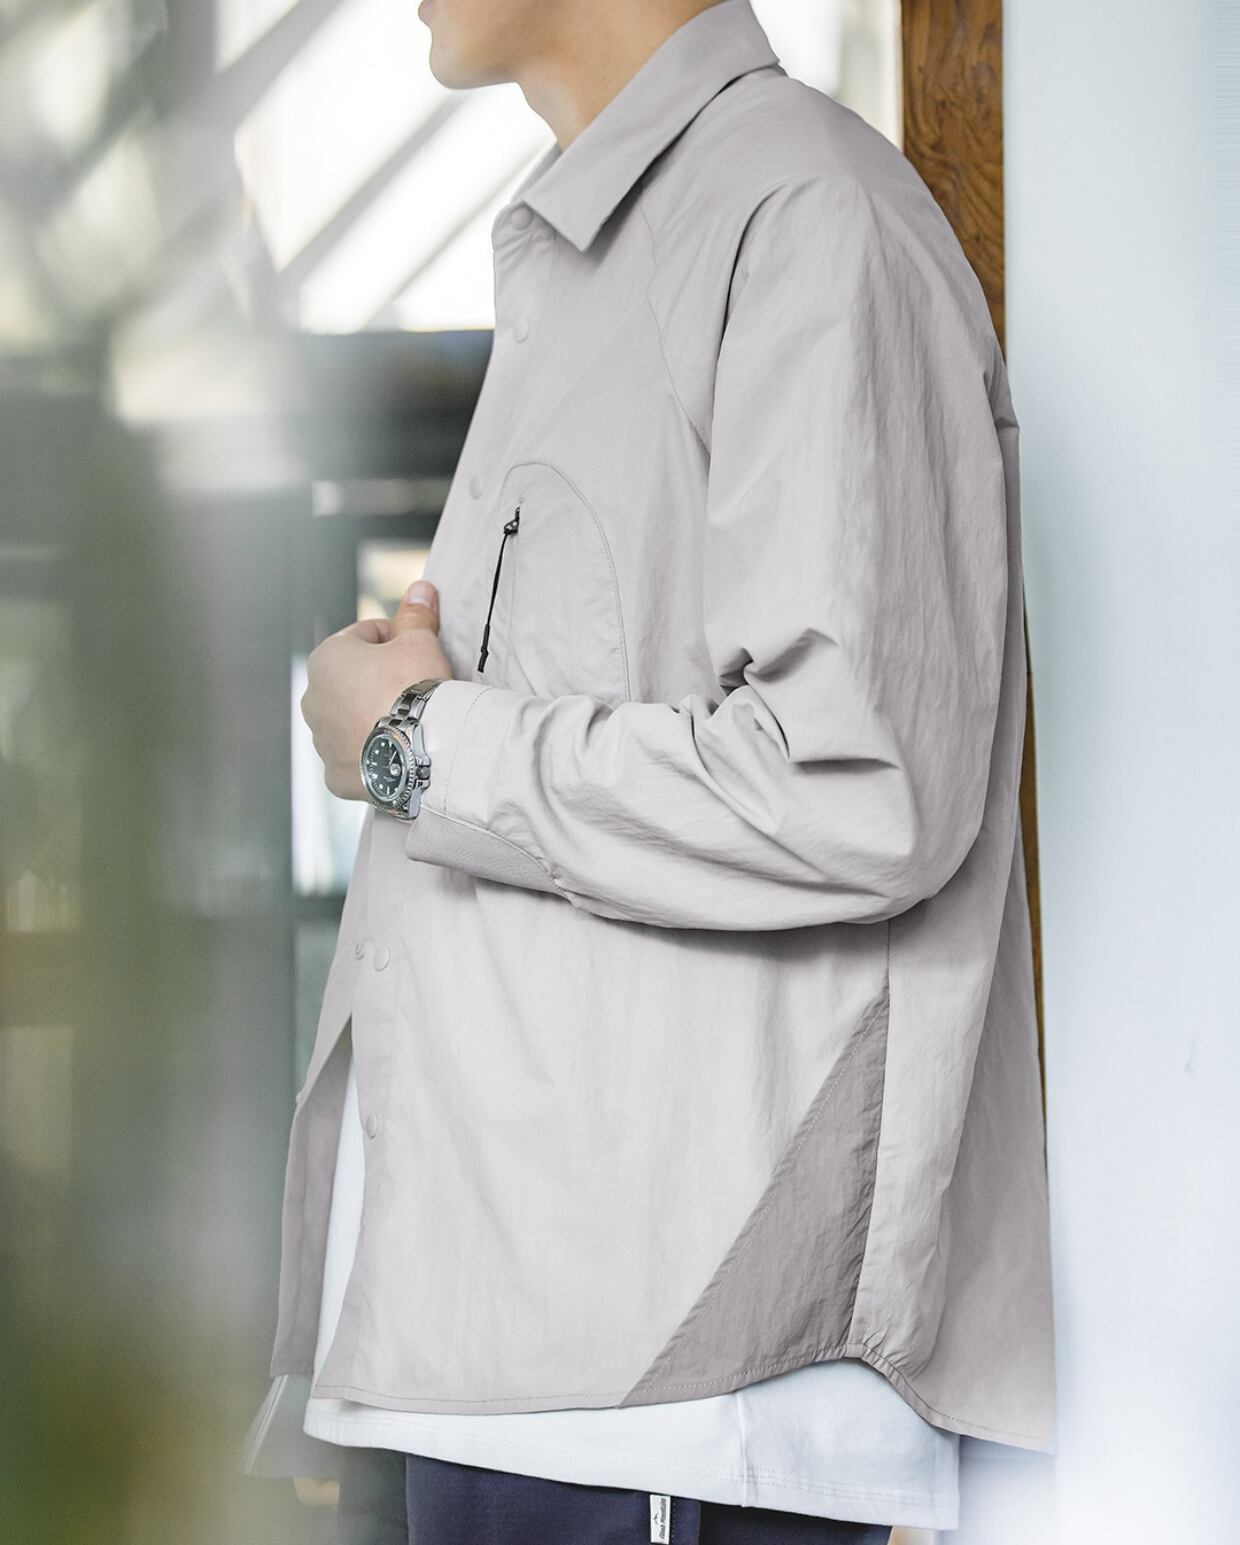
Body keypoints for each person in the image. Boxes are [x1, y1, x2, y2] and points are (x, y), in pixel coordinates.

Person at [271, 1, 1057, 1539]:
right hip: (528, 1365)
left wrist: (419, 741)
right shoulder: (604, 255)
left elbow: (859, 786)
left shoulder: (805, 218)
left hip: (674, 1387)